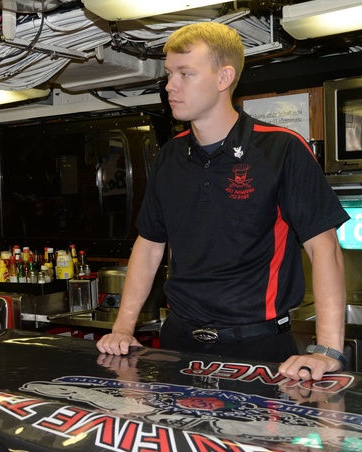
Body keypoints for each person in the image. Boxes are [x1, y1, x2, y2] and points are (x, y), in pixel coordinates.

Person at [97, 22, 349, 383]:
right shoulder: (169, 156)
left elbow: (325, 249)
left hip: (257, 347)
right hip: (178, 343)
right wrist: (123, 328)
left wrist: (327, 350)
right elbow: (150, 245)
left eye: (186, 73)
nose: (170, 85)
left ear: (223, 77)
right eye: (169, 74)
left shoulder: (281, 149)